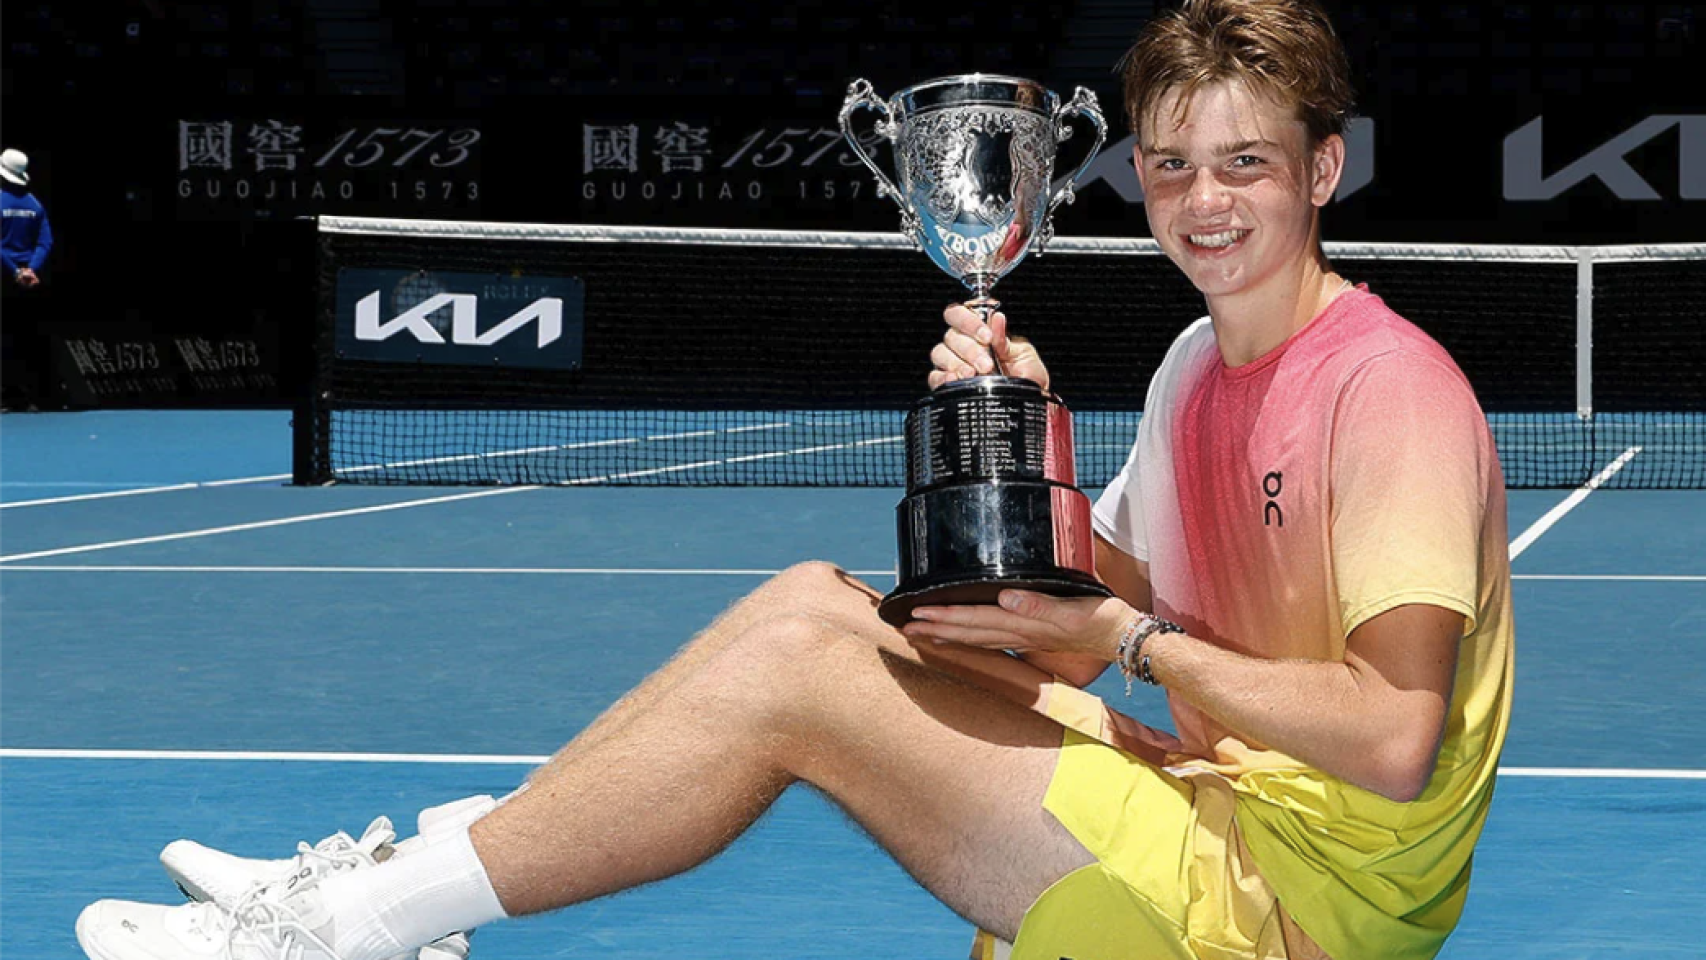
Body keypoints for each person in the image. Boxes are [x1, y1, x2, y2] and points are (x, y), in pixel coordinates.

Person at [74, 2, 1513, 958]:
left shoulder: (1380, 388)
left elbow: (1389, 737)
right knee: (811, 612)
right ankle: (416, 890)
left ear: (1322, 170)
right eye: (1172, 165)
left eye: (1246, 164)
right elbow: (1125, 584)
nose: (1204, 202)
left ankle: (338, 932)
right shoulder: (1196, 367)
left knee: (800, 688)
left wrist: (1116, 648)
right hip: (1218, 797)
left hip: (1306, 905)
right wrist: (1020, 429)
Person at [1, 148, 53, 290]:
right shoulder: (36, 205)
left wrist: (15, 272)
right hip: (29, 278)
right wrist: (30, 269)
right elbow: (45, 242)